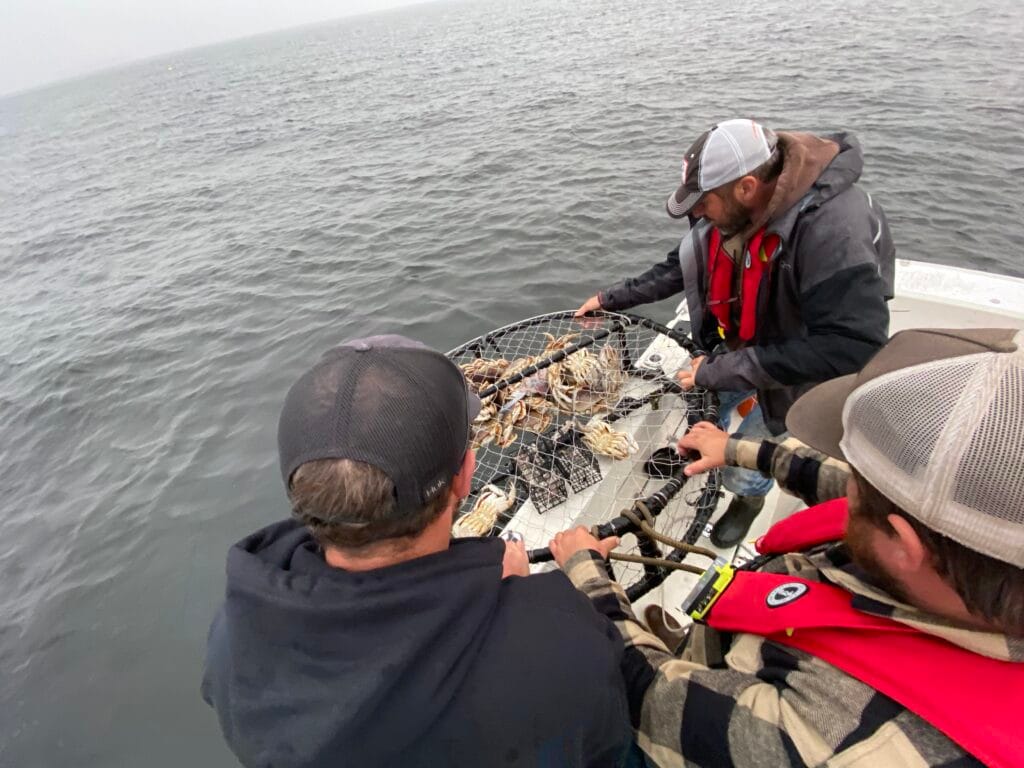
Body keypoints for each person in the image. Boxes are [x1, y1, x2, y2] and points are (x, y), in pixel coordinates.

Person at [551, 327, 1024, 767]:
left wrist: (588, 576)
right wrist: (742, 449)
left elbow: (647, 694)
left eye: (860, 477)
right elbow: (844, 488)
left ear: (904, 544)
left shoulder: (821, 734)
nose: (847, 479)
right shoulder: (971, 553)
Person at [201, 335, 633, 767]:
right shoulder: (559, 644)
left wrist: (482, 590)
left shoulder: (232, 637)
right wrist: (544, 594)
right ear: (466, 476)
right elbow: (614, 727)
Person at [575, 118, 894, 548]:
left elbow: (853, 347)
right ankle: (700, 445)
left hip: (795, 371)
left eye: (702, 203)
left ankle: (746, 499)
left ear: (745, 187)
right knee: (700, 399)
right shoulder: (729, 211)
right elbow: (680, 266)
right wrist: (611, 297)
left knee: (747, 451)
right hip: (734, 340)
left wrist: (727, 371)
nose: (695, 213)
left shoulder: (836, 231)